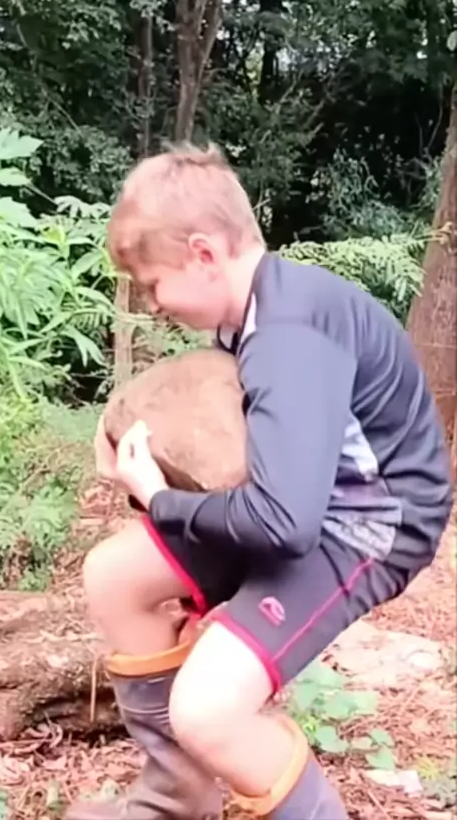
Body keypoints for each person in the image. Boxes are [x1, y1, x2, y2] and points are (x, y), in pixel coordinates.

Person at [65, 143, 454, 820]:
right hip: (303, 502)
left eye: (154, 284)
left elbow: (284, 524)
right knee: (114, 577)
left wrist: (160, 499)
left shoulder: (287, 336)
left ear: (203, 254)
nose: (153, 304)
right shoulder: (247, 314)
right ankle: (175, 799)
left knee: (208, 707)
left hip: (370, 526)